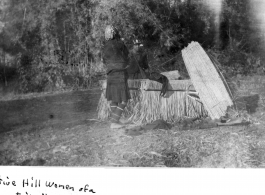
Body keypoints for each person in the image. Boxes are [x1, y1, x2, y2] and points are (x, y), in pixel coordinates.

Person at [102, 25, 131, 129]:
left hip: (110, 74)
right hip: (120, 74)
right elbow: (127, 57)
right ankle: (114, 122)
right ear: (116, 33)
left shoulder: (105, 46)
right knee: (124, 100)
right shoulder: (120, 44)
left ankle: (115, 121)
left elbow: (104, 61)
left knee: (114, 99)